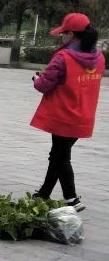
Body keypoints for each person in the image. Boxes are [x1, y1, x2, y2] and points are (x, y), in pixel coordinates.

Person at [30, 12, 103, 212]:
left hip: (63, 115)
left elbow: (44, 85)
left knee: (61, 157)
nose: (62, 37)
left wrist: (37, 79)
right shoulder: (98, 57)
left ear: (71, 34)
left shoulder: (63, 57)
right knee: (58, 154)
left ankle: (71, 198)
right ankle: (44, 192)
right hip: (84, 115)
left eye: (64, 33)